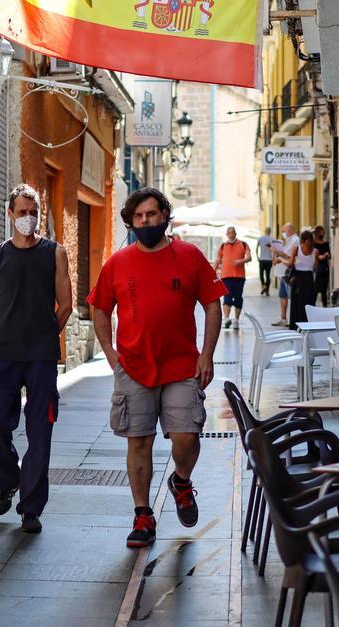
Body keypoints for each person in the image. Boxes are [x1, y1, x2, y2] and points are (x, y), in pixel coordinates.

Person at [88, 187, 226, 549]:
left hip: (182, 366)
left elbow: (213, 304)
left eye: (151, 214)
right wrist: (110, 353)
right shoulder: (118, 262)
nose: (145, 222)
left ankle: (181, 480)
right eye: (138, 217)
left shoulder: (190, 255)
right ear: (131, 222)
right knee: (139, 440)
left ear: (165, 215)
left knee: (187, 436)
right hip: (133, 366)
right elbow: (99, 308)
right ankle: (143, 515)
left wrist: (206, 355)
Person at [0, 184, 73, 535]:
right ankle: (8, 481)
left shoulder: (55, 253)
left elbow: (65, 304)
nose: (27, 218)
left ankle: (31, 508)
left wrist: (48, 334)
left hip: (41, 358)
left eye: (32, 212)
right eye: (21, 212)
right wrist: (2, 335)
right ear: (10, 214)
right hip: (5, 356)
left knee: (40, 432)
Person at [213, 226, 252, 329]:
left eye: (232, 233)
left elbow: (249, 257)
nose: (231, 235)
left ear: (235, 234)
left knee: (238, 298)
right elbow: (218, 259)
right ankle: (226, 319)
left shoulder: (243, 244)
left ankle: (237, 320)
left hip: (239, 276)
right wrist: (212, 272)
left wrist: (240, 261)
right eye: (229, 233)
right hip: (226, 276)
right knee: (227, 297)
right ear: (226, 234)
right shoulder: (223, 246)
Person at [284, 229, 318, 329]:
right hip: (309, 278)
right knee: (309, 302)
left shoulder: (297, 249)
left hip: (298, 278)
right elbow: (315, 266)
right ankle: (308, 325)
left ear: (302, 240)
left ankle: (296, 326)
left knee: (296, 303)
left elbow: (290, 264)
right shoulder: (315, 251)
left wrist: (280, 260)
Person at [271, 223, 299, 326]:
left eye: (284, 230)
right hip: (283, 273)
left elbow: (289, 256)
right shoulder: (288, 240)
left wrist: (278, 253)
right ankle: (283, 318)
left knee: (291, 296)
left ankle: (293, 319)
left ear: (290, 230)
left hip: (289, 273)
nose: (283, 232)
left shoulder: (295, 240)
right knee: (283, 296)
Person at [313, 225, 332, 307]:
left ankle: (325, 306)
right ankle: (312, 306)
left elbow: (330, 256)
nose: (322, 234)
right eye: (320, 232)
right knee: (316, 289)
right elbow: (315, 255)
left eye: (323, 232)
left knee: (324, 289)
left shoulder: (326, 243)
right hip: (318, 268)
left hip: (325, 268)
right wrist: (322, 256)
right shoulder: (314, 244)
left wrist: (327, 255)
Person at [256, 227, 277, 296]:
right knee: (268, 275)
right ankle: (267, 291)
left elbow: (256, 248)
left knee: (261, 275)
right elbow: (274, 250)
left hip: (262, 259)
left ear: (265, 231)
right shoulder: (272, 239)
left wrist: (257, 257)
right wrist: (273, 259)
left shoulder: (260, 238)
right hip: (269, 260)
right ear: (270, 232)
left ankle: (263, 286)